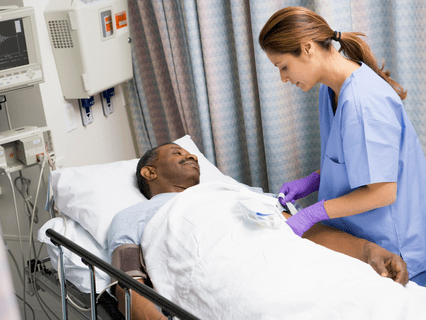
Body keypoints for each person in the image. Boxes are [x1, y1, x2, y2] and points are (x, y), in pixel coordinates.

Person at [108, 143, 409, 319]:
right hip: (240, 282)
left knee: (384, 301)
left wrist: (369, 251)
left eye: (192, 153)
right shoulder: (133, 217)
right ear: (150, 172)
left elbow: (305, 231)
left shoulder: (234, 191)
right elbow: (129, 284)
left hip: (299, 264)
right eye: (177, 153)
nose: (192, 156)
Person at [258, 6, 426, 286]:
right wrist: (311, 182)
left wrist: (314, 212)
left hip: (394, 250)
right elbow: (358, 164)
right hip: (359, 239)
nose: (283, 78)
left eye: (283, 67)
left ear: (307, 47)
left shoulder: (363, 102)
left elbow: (383, 192)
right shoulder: (331, 90)